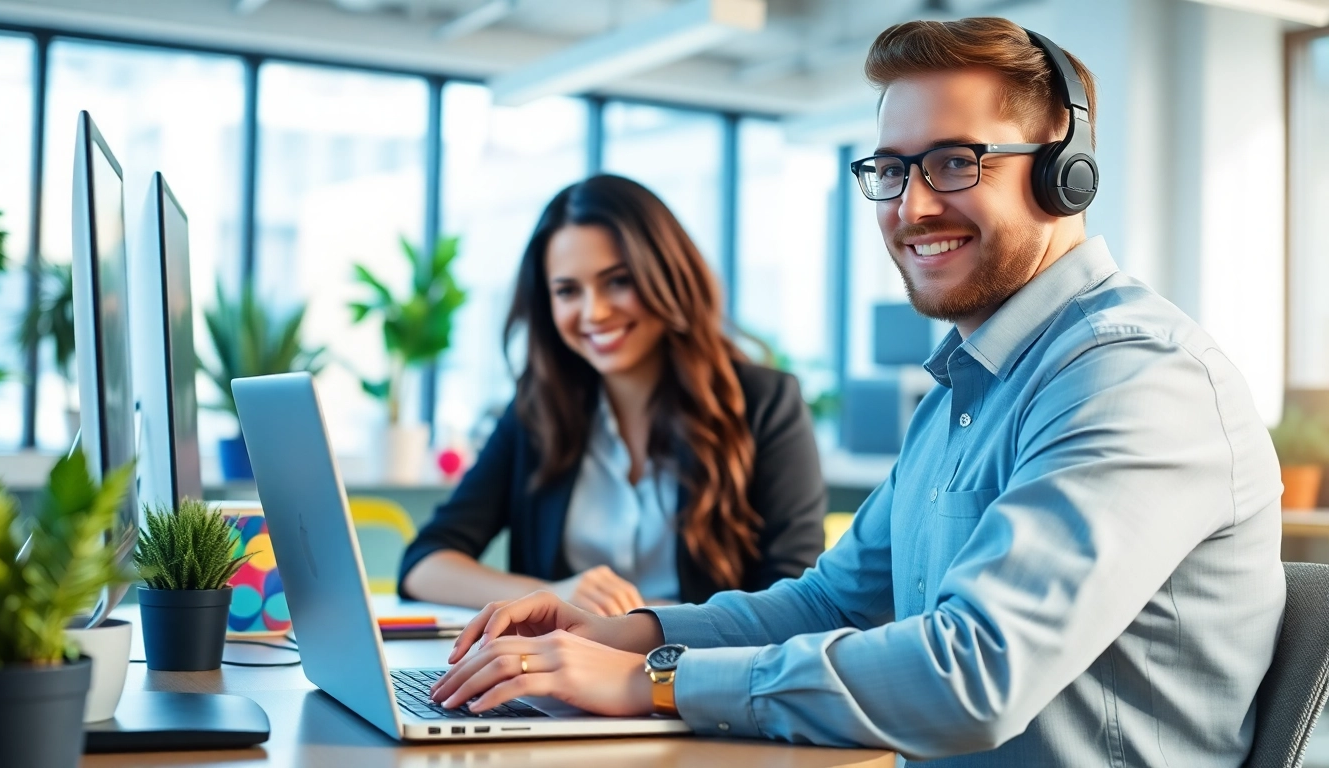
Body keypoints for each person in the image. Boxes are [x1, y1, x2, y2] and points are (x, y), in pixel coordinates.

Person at [425, 18, 1285, 766]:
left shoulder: (1134, 377)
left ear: (1067, 174)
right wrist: (627, 634)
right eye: (891, 169)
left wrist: (653, 682)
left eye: (954, 162)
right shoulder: (968, 384)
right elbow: (828, 601)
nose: (910, 208)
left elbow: (972, 675)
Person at [398, 174, 827, 616]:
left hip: (699, 676)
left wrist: (649, 623)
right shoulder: (537, 411)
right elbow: (424, 564)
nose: (594, 312)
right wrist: (551, 593)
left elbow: (792, 601)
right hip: (561, 680)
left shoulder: (765, 402)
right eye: (567, 291)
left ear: (668, 277)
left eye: (618, 281)